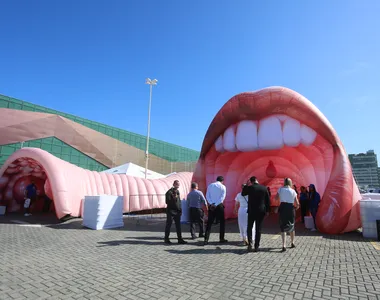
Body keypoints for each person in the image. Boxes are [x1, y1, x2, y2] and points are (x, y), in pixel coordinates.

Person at [242, 176, 270, 252]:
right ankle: (256, 246)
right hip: (261, 211)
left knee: (249, 227)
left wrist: (246, 186)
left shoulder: (250, 188)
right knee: (258, 228)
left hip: (251, 210)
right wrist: (267, 210)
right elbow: (267, 200)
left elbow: (243, 194)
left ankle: (250, 244)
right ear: (257, 180)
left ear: (251, 181)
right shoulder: (264, 188)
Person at [275, 178, 300, 252]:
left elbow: (276, 198)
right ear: (290, 183)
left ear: (284, 183)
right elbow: (297, 202)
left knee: (283, 226)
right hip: (290, 208)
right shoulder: (293, 191)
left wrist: (281, 198)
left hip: (283, 207)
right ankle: (292, 243)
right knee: (292, 225)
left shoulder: (280, 189)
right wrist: (297, 207)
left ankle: (284, 245)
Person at [204, 176, 228, 245]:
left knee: (209, 223)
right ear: (222, 181)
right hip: (219, 205)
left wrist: (211, 203)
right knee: (222, 222)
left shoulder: (210, 185)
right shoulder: (223, 187)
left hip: (211, 205)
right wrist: (216, 204)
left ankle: (206, 239)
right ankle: (221, 238)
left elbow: (207, 195)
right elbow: (222, 197)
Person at [164, 180, 187, 244]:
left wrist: (180, 209)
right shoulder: (169, 192)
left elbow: (179, 202)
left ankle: (180, 239)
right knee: (168, 225)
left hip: (177, 212)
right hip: (170, 211)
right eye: (177, 184)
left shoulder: (177, 191)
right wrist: (173, 198)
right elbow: (167, 202)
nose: (178, 186)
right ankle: (166, 239)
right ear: (173, 184)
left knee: (178, 226)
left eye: (178, 185)